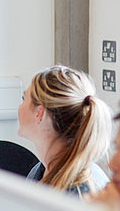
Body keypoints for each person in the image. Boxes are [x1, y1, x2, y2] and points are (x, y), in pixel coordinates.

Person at [17, 65, 112, 196]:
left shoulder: (82, 191)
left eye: (24, 99)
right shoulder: (39, 172)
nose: (19, 107)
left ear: (39, 113)